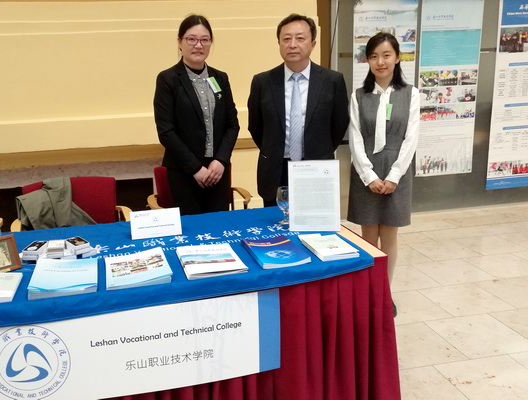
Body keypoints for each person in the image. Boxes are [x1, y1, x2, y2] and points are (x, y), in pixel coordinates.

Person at [346, 32, 420, 317]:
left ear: (397, 57)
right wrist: (369, 176)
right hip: (366, 171)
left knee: (389, 234)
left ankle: (384, 294)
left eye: (386, 55)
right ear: (367, 60)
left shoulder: (411, 94)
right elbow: (355, 138)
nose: (380, 62)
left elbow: (411, 139)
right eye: (374, 56)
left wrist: (394, 176)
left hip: (397, 171)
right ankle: (368, 292)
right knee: (368, 235)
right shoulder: (359, 95)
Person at [247, 13, 349, 207]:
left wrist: (318, 151)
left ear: (313, 43)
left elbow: (339, 125)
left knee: (314, 224)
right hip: (276, 170)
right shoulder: (263, 82)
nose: (292, 44)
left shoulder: (332, 81)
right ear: (279, 43)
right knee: (276, 224)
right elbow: (256, 127)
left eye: (300, 38)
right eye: (286, 39)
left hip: (316, 168)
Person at [154, 14, 239, 215]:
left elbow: (232, 124)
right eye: (191, 39)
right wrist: (195, 168)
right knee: (191, 229)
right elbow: (166, 131)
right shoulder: (168, 79)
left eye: (204, 40)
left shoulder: (220, 78)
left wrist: (221, 160)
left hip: (217, 171)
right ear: (180, 42)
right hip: (184, 172)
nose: (198, 45)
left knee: (219, 226)